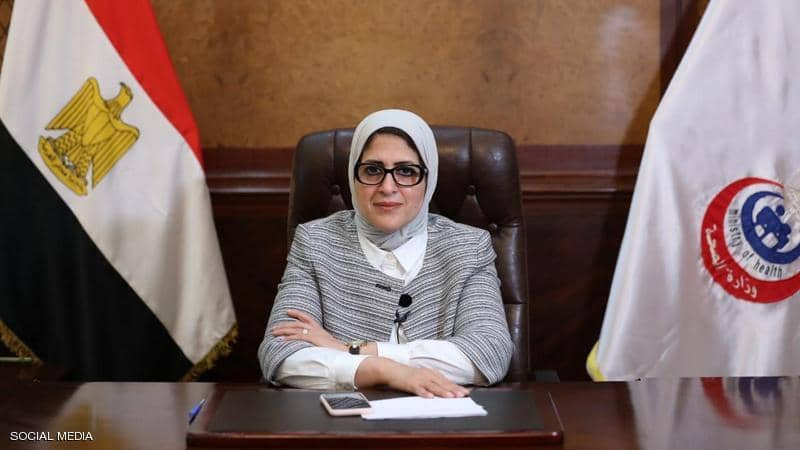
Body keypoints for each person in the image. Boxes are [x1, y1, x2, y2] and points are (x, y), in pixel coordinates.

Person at [258, 109, 513, 398]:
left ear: (428, 180)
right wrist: (385, 370)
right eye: (372, 170)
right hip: (344, 422)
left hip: (443, 420)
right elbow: (280, 354)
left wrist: (352, 350)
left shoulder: (468, 247)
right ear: (353, 176)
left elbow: (489, 352)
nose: (388, 187)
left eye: (406, 171)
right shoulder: (316, 242)